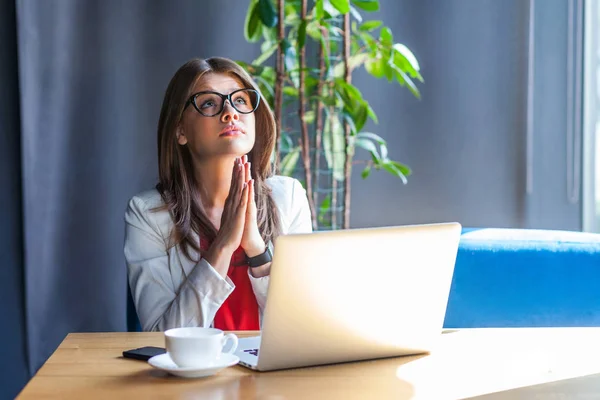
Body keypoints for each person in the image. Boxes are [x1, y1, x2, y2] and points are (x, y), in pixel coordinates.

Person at [124, 57, 312, 332]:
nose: (230, 112)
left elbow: (303, 328)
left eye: (240, 101)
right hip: (194, 374)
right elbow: (162, 338)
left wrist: (257, 250)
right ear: (180, 130)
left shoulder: (289, 197)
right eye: (209, 103)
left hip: (271, 373)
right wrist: (223, 245)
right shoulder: (148, 214)